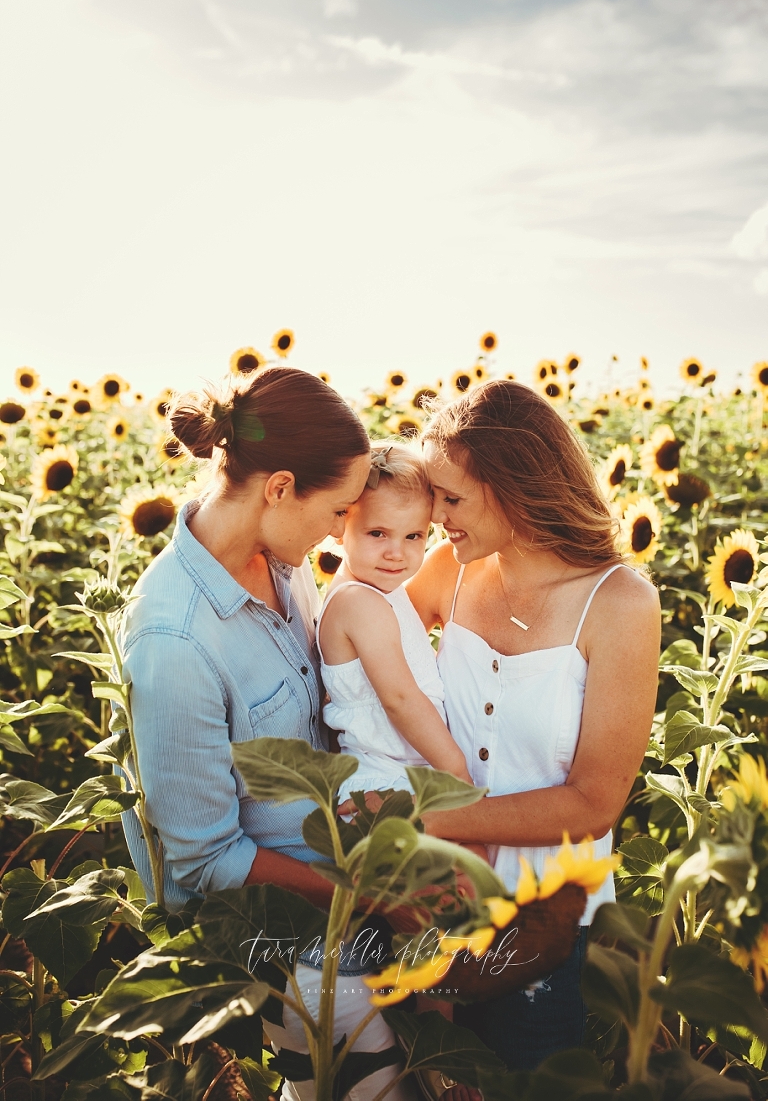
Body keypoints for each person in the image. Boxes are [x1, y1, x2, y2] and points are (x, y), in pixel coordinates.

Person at [117, 366, 415, 1101]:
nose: (337, 529)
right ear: (280, 487)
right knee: (374, 1084)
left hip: (345, 875)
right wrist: (367, 897)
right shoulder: (174, 640)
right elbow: (205, 860)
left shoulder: (283, 566)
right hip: (279, 930)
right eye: (337, 508)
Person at [407, 379, 660, 1072]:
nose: (438, 518)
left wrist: (431, 823)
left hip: (543, 920)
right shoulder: (447, 571)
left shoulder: (619, 603)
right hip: (429, 900)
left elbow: (594, 805)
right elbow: (364, 637)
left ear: (512, 487)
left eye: (451, 498)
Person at [318, 442, 475, 802]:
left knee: (473, 853)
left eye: (413, 536)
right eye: (377, 533)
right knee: (465, 854)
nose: (396, 552)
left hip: (402, 771)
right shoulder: (359, 602)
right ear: (341, 524)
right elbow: (400, 699)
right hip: (383, 781)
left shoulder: (378, 590)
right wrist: (456, 771)